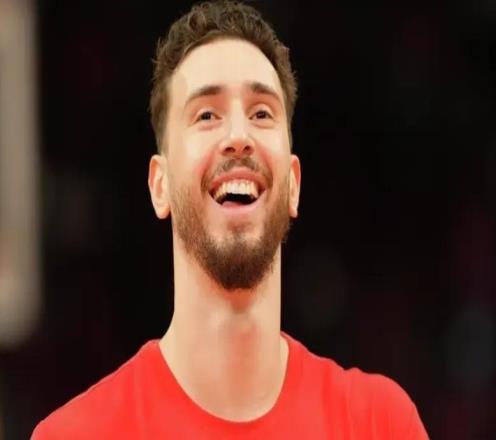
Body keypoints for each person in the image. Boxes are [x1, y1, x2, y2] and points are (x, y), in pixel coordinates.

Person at [32, 1, 428, 438]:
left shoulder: (379, 422)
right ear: (159, 185)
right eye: (207, 115)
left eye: (261, 113)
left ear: (293, 184)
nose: (238, 137)